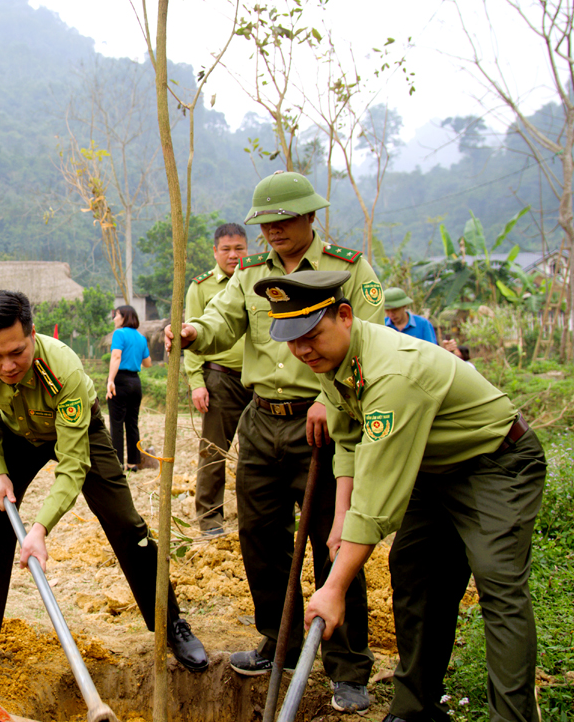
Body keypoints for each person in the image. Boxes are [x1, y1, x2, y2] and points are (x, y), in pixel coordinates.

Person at [257, 271, 545, 722]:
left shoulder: (392, 373)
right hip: (431, 469)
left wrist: (333, 589)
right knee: (415, 572)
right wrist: (338, 521)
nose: (302, 351)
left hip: (494, 464)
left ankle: (512, 717)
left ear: (345, 316)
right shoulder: (333, 361)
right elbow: (349, 443)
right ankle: (415, 709)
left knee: (497, 582)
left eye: (310, 336)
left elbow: (378, 498)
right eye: (292, 342)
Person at [165, 171, 380, 710]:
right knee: (260, 537)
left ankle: (347, 665)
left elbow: (374, 343)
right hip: (261, 422)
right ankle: (276, 641)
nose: (274, 231)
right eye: (266, 222)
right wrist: (192, 333)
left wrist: (331, 401)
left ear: (310, 216)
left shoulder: (347, 270)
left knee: (333, 542)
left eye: (284, 220)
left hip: (326, 425)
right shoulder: (250, 274)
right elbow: (220, 322)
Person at [0, 290, 209, 676]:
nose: (6, 366)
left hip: (76, 431)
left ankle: (171, 624)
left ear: (33, 334)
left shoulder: (63, 370)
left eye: (16, 352)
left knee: (125, 521)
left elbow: (72, 464)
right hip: (15, 434)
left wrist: (39, 529)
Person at [183, 222, 252, 536]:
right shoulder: (201, 286)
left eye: (239, 248)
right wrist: (197, 382)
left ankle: (255, 516)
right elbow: (191, 335)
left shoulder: (256, 279)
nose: (233, 255)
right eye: (226, 249)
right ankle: (210, 519)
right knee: (213, 451)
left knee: (260, 453)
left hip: (258, 379)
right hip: (219, 380)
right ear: (215, 251)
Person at [105, 304, 152, 471]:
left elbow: (116, 356)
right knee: (132, 424)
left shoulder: (119, 333)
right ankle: (133, 463)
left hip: (120, 381)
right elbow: (147, 363)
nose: (114, 318)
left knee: (116, 424)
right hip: (135, 382)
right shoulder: (141, 337)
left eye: (116, 315)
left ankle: (117, 464)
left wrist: (110, 380)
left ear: (124, 317)